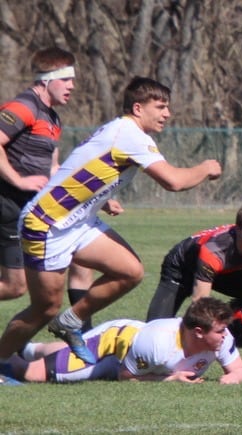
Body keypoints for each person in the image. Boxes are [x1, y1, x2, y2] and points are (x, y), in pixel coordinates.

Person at [0, 77, 222, 368]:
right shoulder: (130, 135)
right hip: (47, 226)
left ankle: (70, 321)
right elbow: (173, 182)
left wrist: (99, 199)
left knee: (130, 271)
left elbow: (79, 167)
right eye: (161, 106)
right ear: (138, 108)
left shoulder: (122, 130)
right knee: (44, 307)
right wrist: (206, 167)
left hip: (77, 222)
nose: (167, 114)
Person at [0, 47, 116, 332]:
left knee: (81, 258)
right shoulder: (23, 107)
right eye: (66, 80)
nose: (72, 86)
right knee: (15, 287)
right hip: (8, 205)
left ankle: (82, 333)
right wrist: (18, 180)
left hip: (32, 211)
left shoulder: (52, 119)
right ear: (46, 79)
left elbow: (54, 170)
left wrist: (95, 198)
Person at [0, 297, 242, 384]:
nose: (225, 335)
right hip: (112, 346)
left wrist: (232, 379)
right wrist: (168, 379)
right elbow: (124, 376)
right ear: (198, 332)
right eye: (218, 331)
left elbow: (240, 371)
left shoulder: (221, 338)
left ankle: (28, 347)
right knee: (33, 374)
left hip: (133, 356)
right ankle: (5, 356)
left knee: (61, 354)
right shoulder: (157, 344)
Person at [146, 203, 242, 322]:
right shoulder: (215, 250)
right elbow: (200, 302)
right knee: (156, 327)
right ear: (237, 229)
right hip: (181, 269)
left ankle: (237, 315)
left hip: (222, 270)